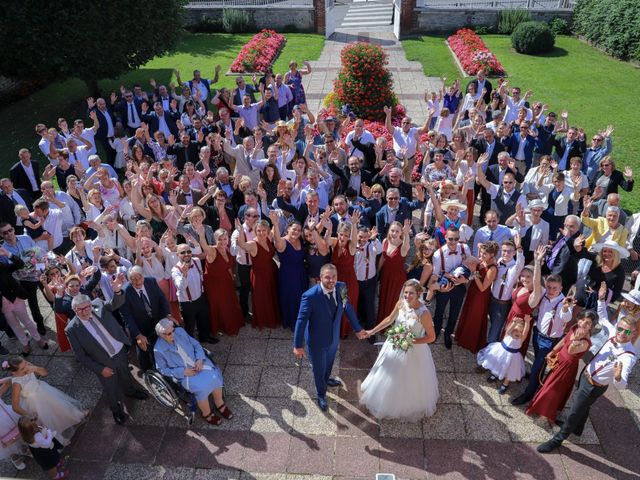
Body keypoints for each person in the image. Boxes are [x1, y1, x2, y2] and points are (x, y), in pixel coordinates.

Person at [537, 316, 637, 453]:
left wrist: (618, 376)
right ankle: (578, 428)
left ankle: (557, 439)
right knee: (583, 406)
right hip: (586, 374)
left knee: (573, 412)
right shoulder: (614, 334)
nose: (621, 333)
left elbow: (621, 385)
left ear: (634, 333)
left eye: (627, 332)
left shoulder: (628, 356)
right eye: (620, 329)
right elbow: (602, 317)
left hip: (593, 386)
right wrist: (601, 299)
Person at [65, 285, 149, 425]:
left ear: (90, 305)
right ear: (74, 310)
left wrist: (117, 291)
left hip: (119, 351)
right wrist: (100, 369)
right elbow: (80, 356)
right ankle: (116, 409)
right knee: (110, 387)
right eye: (80, 310)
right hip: (102, 362)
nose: (85, 312)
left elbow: (115, 303)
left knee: (125, 374)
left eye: (87, 307)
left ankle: (130, 391)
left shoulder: (98, 304)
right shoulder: (72, 329)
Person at [360, 279, 439, 419]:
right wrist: (372, 331)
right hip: (395, 344)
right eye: (405, 292)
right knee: (388, 373)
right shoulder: (401, 303)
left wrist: (411, 341)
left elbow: (431, 337)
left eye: (411, 293)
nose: (407, 296)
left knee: (409, 378)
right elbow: (389, 319)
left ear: (419, 293)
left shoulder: (423, 314)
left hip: (414, 350)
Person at [293, 263, 366, 411]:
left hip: (333, 338)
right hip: (317, 341)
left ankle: (327, 380)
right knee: (318, 369)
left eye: (334, 277)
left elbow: (347, 307)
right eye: (327, 277)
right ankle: (321, 394)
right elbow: (301, 321)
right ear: (320, 278)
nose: (331, 280)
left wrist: (358, 328)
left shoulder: (341, 287)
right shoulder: (309, 297)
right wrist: (297, 345)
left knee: (329, 363)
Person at [512, 246, 573, 405]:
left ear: (561, 288)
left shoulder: (563, 302)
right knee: (538, 365)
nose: (551, 291)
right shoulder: (545, 294)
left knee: (539, 365)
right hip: (537, 334)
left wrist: (566, 309)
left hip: (550, 341)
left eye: (555, 288)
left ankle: (528, 394)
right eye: (550, 287)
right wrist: (538, 262)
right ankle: (534, 376)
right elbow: (536, 282)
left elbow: (566, 317)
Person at [153, 319, 232, 426]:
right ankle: (206, 413)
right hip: (185, 374)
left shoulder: (180, 331)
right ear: (162, 335)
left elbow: (196, 344)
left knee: (215, 377)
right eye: (169, 333)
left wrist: (199, 359)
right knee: (202, 387)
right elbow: (162, 369)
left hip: (198, 362)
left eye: (173, 330)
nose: (173, 334)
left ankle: (219, 403)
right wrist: (183, 372)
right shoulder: (158, 349)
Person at [526, 310, 595, 424]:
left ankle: (546, 414)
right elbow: (564, 340)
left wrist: (576, 340)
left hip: (566, 367)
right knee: (549, 385)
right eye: (582, 319)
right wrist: (552, 352)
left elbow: (571, 350)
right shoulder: (575, 327)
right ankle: (541, 407)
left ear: (591, 327)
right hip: (559, 360)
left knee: (553, 390)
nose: (583, 323)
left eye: (587, 323)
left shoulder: (585, 342)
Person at [4, 356, 86, 446]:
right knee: (47, 423)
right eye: (22, 369)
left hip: (43, 391)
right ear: (13, 372)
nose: (26, 368)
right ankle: (61, 440)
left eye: (26, 364)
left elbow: (45, 373)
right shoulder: (16, 384)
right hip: (34, 403)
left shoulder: (28, 367)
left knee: (60, 406)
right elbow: (15, 407)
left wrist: (35, 368)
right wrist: (28, 415)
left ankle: (76, 415)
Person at [118, 266, 170, 372]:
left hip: (157, 322)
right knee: (143, 351)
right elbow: (127, 316)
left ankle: (162, 366)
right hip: (139, 327)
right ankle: (146, 370)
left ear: (143, 276)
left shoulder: (151, 281)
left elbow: (162, 299)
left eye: (139, 278)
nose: (137, 282)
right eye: (133, 279)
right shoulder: (124, 293)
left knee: (160, 345)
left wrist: (167, 316)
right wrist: (138, 335)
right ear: (129, 280)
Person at [198, 227, 245, 336]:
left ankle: (231, 324)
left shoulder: (227, 249)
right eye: (220, 239)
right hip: (214, 284)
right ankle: (221, 327)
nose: (223, 242)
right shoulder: (212, 250)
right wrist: (201, 235)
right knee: (220, 305)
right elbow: (204, 246)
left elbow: (227, 266)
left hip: (226, 281)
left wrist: (231, 277)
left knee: (229, 303)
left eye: (225, 239)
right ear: (215, 240)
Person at [235, 218, 280, 329]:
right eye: (259, 230)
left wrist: (275, 222)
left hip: (271, 272)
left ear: (267, 231)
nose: (261, 233)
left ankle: (273, 317)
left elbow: (274, 230)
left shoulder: (268, 238)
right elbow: (241, 244)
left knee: (271, 295)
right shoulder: (253, 243)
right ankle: (264, 320)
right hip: (260, 275)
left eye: (264, 230)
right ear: (255, 231)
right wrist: (240, 231)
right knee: (262, 298)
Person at [431, 225, 471, 349]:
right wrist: (439, 288)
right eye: (450, 239)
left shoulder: (465, 249)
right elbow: (435, 275)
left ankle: (448, 334)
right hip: (444, 285)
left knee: (454, 312)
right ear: (445, 238)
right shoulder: (438, 254)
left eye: (456, 239)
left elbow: (471, 268)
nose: (453, 242)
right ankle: (436, 332)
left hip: (459, 287)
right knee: (439, 311)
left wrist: (466, 279)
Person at [455, 241, 498, 354]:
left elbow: (483, 287)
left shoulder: (492, 269)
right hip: (473, 290)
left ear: (492, 255)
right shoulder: (483, 261)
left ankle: (471, 342)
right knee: (468, 313)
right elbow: (474, 277)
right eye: (482, 252)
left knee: (475, 317)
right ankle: (462, 337)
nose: (481, 255)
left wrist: (474, 271)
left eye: (485, 254)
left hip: (481, 296)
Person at [170, 243, 216, 343]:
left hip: (200, 298)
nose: (186, 254)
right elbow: (181, 287)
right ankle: (190, 344)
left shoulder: (197, 261)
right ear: (177, 255)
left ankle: (204, 337)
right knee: (189, 325)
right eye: (183, 252)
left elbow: (201, 276)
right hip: (187, 303)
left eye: (189, 251)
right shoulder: (175, 270)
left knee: (203, 320)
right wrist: (184, 274)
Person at [270, 211, 306, 331]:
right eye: (294, 229)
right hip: (288, 276)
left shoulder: (300, 241)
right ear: (288, 229)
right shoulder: (283, 241)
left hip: (301, 274)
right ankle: (292, 322)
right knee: (291, 299)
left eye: (299, 230)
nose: (296, 232)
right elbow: (277, 243)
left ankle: (301, 320)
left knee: (301, 298)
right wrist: (275, 224)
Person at [477, 316, 529, 394]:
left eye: (520, 332)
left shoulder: (520, 339)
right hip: (501, 352)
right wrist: (514, 322)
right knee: (497, 364)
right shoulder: (508, 335)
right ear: (512, 330)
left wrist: (527, 322)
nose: (518, 333)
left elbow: (526, 332)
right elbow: (509, 329)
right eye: (516, 330)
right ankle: (495, 374)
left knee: (510, 371)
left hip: (513, 357)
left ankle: (505, 384)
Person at [376, 220, 411, 326]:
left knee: (393, 300)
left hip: (397, 278)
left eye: (397, 231)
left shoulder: (403, 246)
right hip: (385, 275)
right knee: (383, 299)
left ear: (401, 232)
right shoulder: (385, 241)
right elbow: (383, 257)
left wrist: (406, 234)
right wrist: (378, 272)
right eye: (392, 230)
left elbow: (407, 246)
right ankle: (381, 323)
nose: (394, 233)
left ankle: (390, 325)